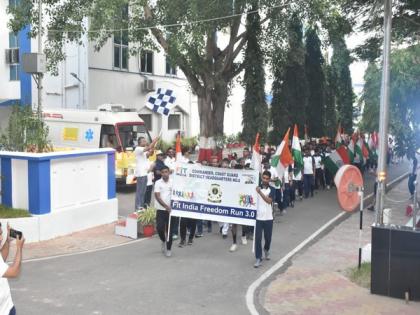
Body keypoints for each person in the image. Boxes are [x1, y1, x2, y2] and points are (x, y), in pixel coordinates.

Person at [0, 223, 25, 315]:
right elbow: (14, 272)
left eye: (1, 233)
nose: (1, 238)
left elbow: (1, 259)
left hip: (7, 307)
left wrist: (7, 241)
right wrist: (19, 248)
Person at [254, 171, 275, 268]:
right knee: (258, 239)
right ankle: (258, 258)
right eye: (264, 178)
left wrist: (260, 192)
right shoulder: (256, 188)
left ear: (269, 179)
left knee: (268, 238)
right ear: (261, 178)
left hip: (268, 218)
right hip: (258, 218)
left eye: (267, 178)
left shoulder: (272, 189)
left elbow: (269, 201)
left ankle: (266, 249)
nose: (265, 180)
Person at [154, 166, 175, 257]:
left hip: (171, 211)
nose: (165, 173)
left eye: (166, 172)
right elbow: (157, 196)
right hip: (161, 209)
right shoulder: (158, 183)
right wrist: (166, 206)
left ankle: (169, 249)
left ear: (169, 172)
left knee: (169, 231)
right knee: (159, 228)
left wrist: (172, 207)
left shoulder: (173, 182)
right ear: (161, 173)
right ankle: (163, 240)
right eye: (163, 172)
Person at [135, 136, 159, 210]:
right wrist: (154, 141)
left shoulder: (143, 152)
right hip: (141, 174)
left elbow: (149, 154)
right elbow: (147, 148)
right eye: (143, 141)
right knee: (140, 192)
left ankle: (141, 208)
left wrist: (153, 146)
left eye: (145, 141)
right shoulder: (138, 149)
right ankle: (138, 208)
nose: (145, 142)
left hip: (144, 174)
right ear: (139, 143)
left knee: (143, 193)